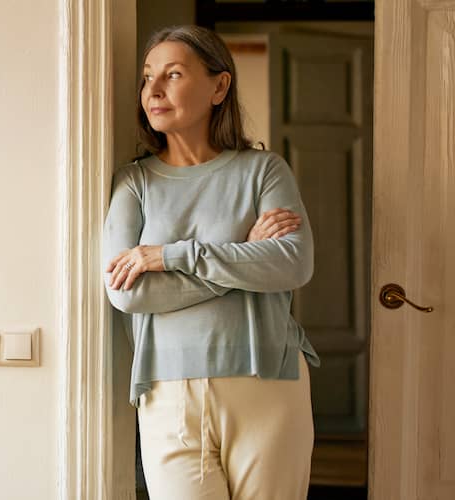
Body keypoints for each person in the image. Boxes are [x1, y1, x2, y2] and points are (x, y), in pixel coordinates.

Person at [102, 25, 321, 500]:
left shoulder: (264, 170)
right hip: (167, 391)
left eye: (173, 74)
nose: (153, 90)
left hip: (267, 381)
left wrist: (169, 256)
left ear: (219, 86)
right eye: (147, 77)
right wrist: (242, 256)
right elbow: (128, 292)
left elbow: (292, 264)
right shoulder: (133, 183)